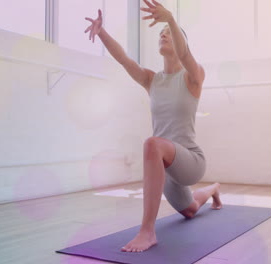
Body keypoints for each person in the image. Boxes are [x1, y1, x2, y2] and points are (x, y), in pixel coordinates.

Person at [84, 0, 222, 253]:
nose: (163, 35)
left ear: (180, 40)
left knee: (152, 143)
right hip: (166, 168)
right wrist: (102, 32)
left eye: (169, 33)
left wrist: (170, 19)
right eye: (160, 33)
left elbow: (186, 55)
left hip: (190, 161)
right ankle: (214, 189)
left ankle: (147, 232)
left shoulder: (193, 76)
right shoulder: (152, 80)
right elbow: (125, 61)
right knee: (190, 210)